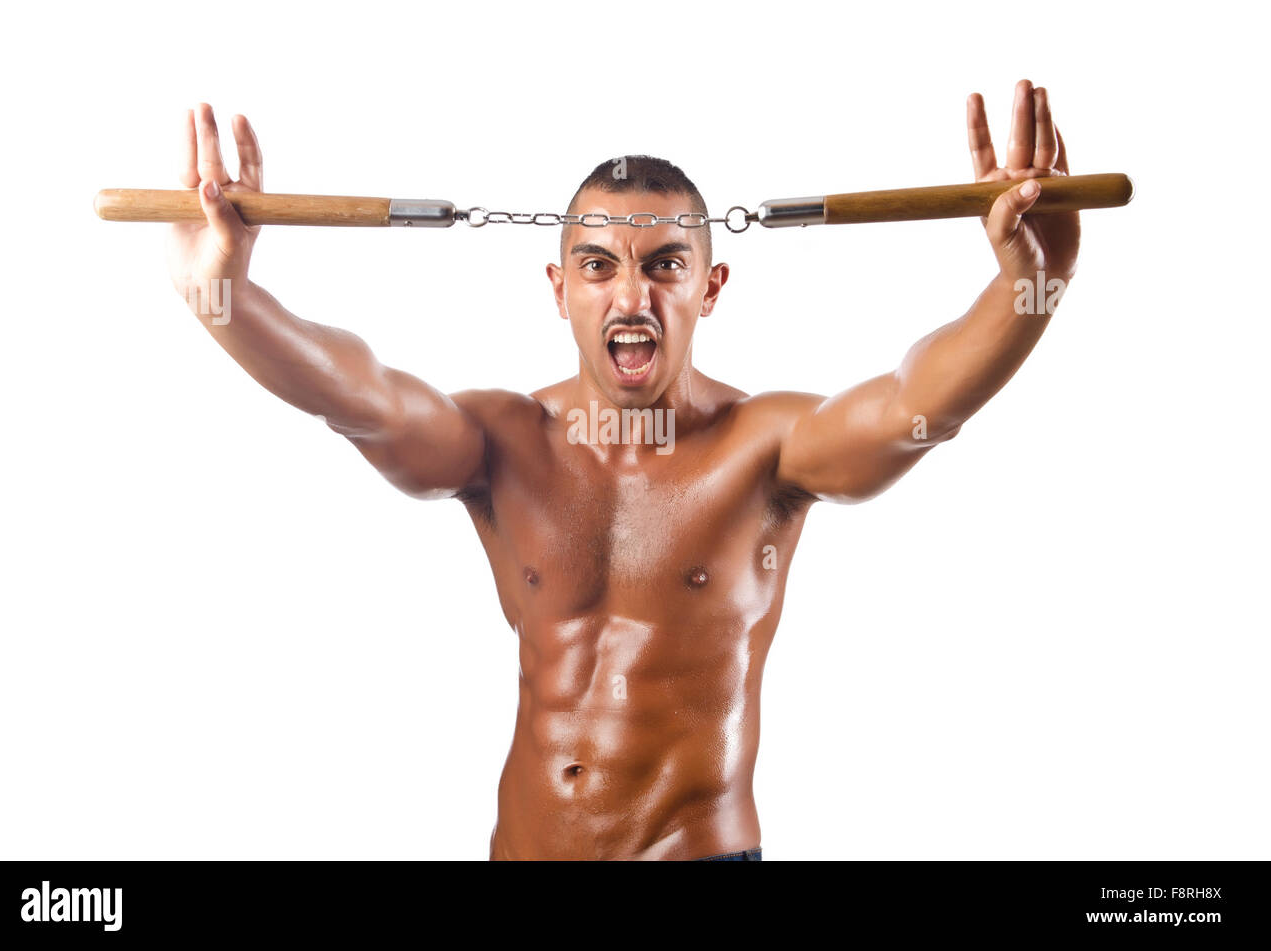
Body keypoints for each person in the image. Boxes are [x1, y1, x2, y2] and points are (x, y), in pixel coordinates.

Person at [165, 79, 1078, 860]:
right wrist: (225, 297)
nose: (631, 296)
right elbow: (355, 396)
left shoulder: (766, 450)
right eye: (597, 266)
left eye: (664, 264)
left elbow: (923, 404)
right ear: (560, 288)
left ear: (708, 288)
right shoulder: (501, 442)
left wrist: (1030, 288)